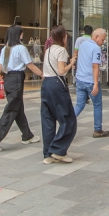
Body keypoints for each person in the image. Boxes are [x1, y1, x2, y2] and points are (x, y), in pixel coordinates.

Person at [0, 24, 43, 152]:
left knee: (18, 109)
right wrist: (43, 75)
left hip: (8, 80)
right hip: (16, 80)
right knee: (11, 111)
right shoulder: (21, 49)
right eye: (21, 33)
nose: (23, 35)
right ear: (18, 35)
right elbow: (31, 65)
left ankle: (27, 136)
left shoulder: (5, 49)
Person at [41, 25, 77, 164]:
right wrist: (71, 62)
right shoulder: (61, 50)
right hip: (57, 85)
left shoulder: (49, 50)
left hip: (46, 85)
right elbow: (62, 71)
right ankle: (58, 150)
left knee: (48, 119)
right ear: (63, 36)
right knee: (68, 119)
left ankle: (48, 154)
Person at [73, 28, 109, 138]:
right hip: (90, 81)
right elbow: (95, 66)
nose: (103, 42)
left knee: (79, 105)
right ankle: (97, 130)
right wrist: (95, 83)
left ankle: (67, 121)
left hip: (80, 79)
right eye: (102, 40)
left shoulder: (83, 44)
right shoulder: (96, 48)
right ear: (96, 36)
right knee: (97, 105)